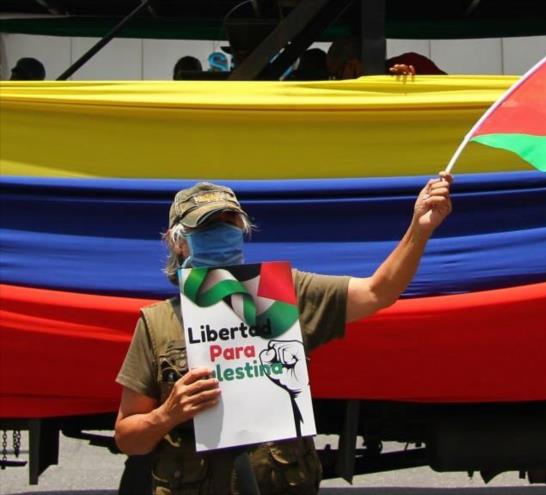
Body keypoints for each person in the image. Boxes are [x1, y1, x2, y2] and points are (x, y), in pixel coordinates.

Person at [114, 173, 452, 494]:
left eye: (228, 223)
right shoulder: (158, 323)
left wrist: (419, 229)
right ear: (178, 243)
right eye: (205, 226)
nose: (219, 232)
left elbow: (379, 292)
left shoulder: (280, 294)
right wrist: (168, 414)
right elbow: (128, 438)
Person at [326, 38, 446, 80]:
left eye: (336, 75)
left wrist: (415, 85)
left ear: (352, 65)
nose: (337, 82)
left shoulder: (411, 63)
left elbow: (451, 94)